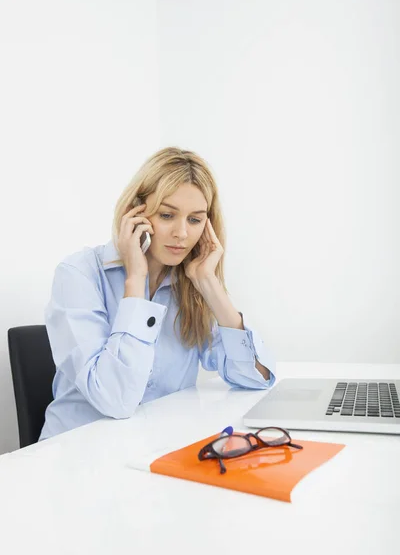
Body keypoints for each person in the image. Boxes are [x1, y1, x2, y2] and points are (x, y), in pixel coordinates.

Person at [39, 147, 276, 440]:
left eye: (195, 220)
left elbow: (255, 377)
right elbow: (115, 399)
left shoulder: (189, 284)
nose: (182, 233)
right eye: (167, 215)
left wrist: (210, 285)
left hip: (154, 448)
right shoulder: (78, 274)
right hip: (78, 451)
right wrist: (135, 280)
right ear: (135, 211)